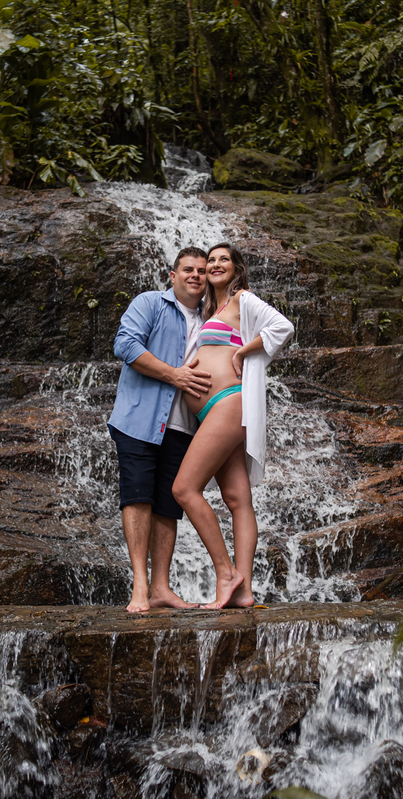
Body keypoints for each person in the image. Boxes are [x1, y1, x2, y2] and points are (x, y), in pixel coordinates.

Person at [171, 242, 294, 609]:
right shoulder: (212, 309)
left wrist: (243, 350)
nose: (215, 264)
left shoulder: (243, 299)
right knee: (238, 499)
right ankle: (244, 591)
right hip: (212, 410)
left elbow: (283, 326)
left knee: (184, 489)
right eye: (211, 260)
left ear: (236, 268)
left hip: (228, 403)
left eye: (223, 259)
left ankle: (226, 573)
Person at [108, 247, 213, 612]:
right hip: (140, 419)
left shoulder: (213, 317)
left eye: (202, 270)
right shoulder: (150, 303)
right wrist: (174, 375)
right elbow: (125, 344)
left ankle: (161, 588)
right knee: (138, 496)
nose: (196, 275)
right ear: (173, 275)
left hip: (185, 426)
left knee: (168, 505)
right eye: (188, 269)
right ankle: (139, 585)